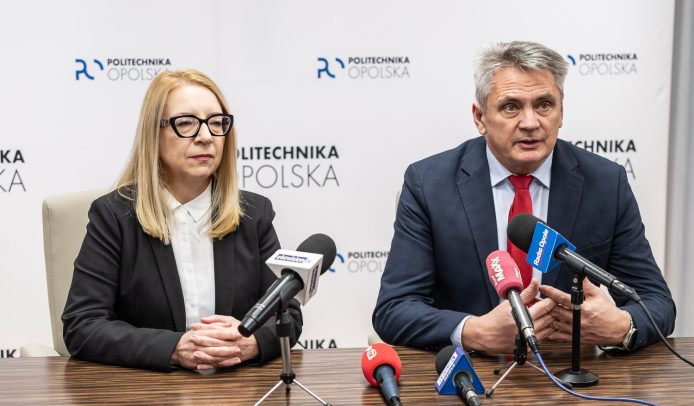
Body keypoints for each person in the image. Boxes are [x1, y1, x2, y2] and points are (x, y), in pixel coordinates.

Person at [373, 41, 675, 355]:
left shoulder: (605, 183)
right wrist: (474, 331)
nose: (530, 123)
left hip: (572, 377)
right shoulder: (430, 184)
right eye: (511, 106)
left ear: (561, 112)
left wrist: (623, 327)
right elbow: (394, 309)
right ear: (480, 117)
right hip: (469, 373)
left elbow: (656, 301)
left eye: (544, 104)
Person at [62, 69, 302, 371]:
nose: (205, 137)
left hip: (237, 390)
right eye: (186, 123)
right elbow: (82, 325)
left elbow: (288, 314)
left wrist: (251, 343)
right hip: (147, 391)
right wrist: (174, 348)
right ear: (154, 133)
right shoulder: (114, 216)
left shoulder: (254, 214)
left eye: (216, 123)